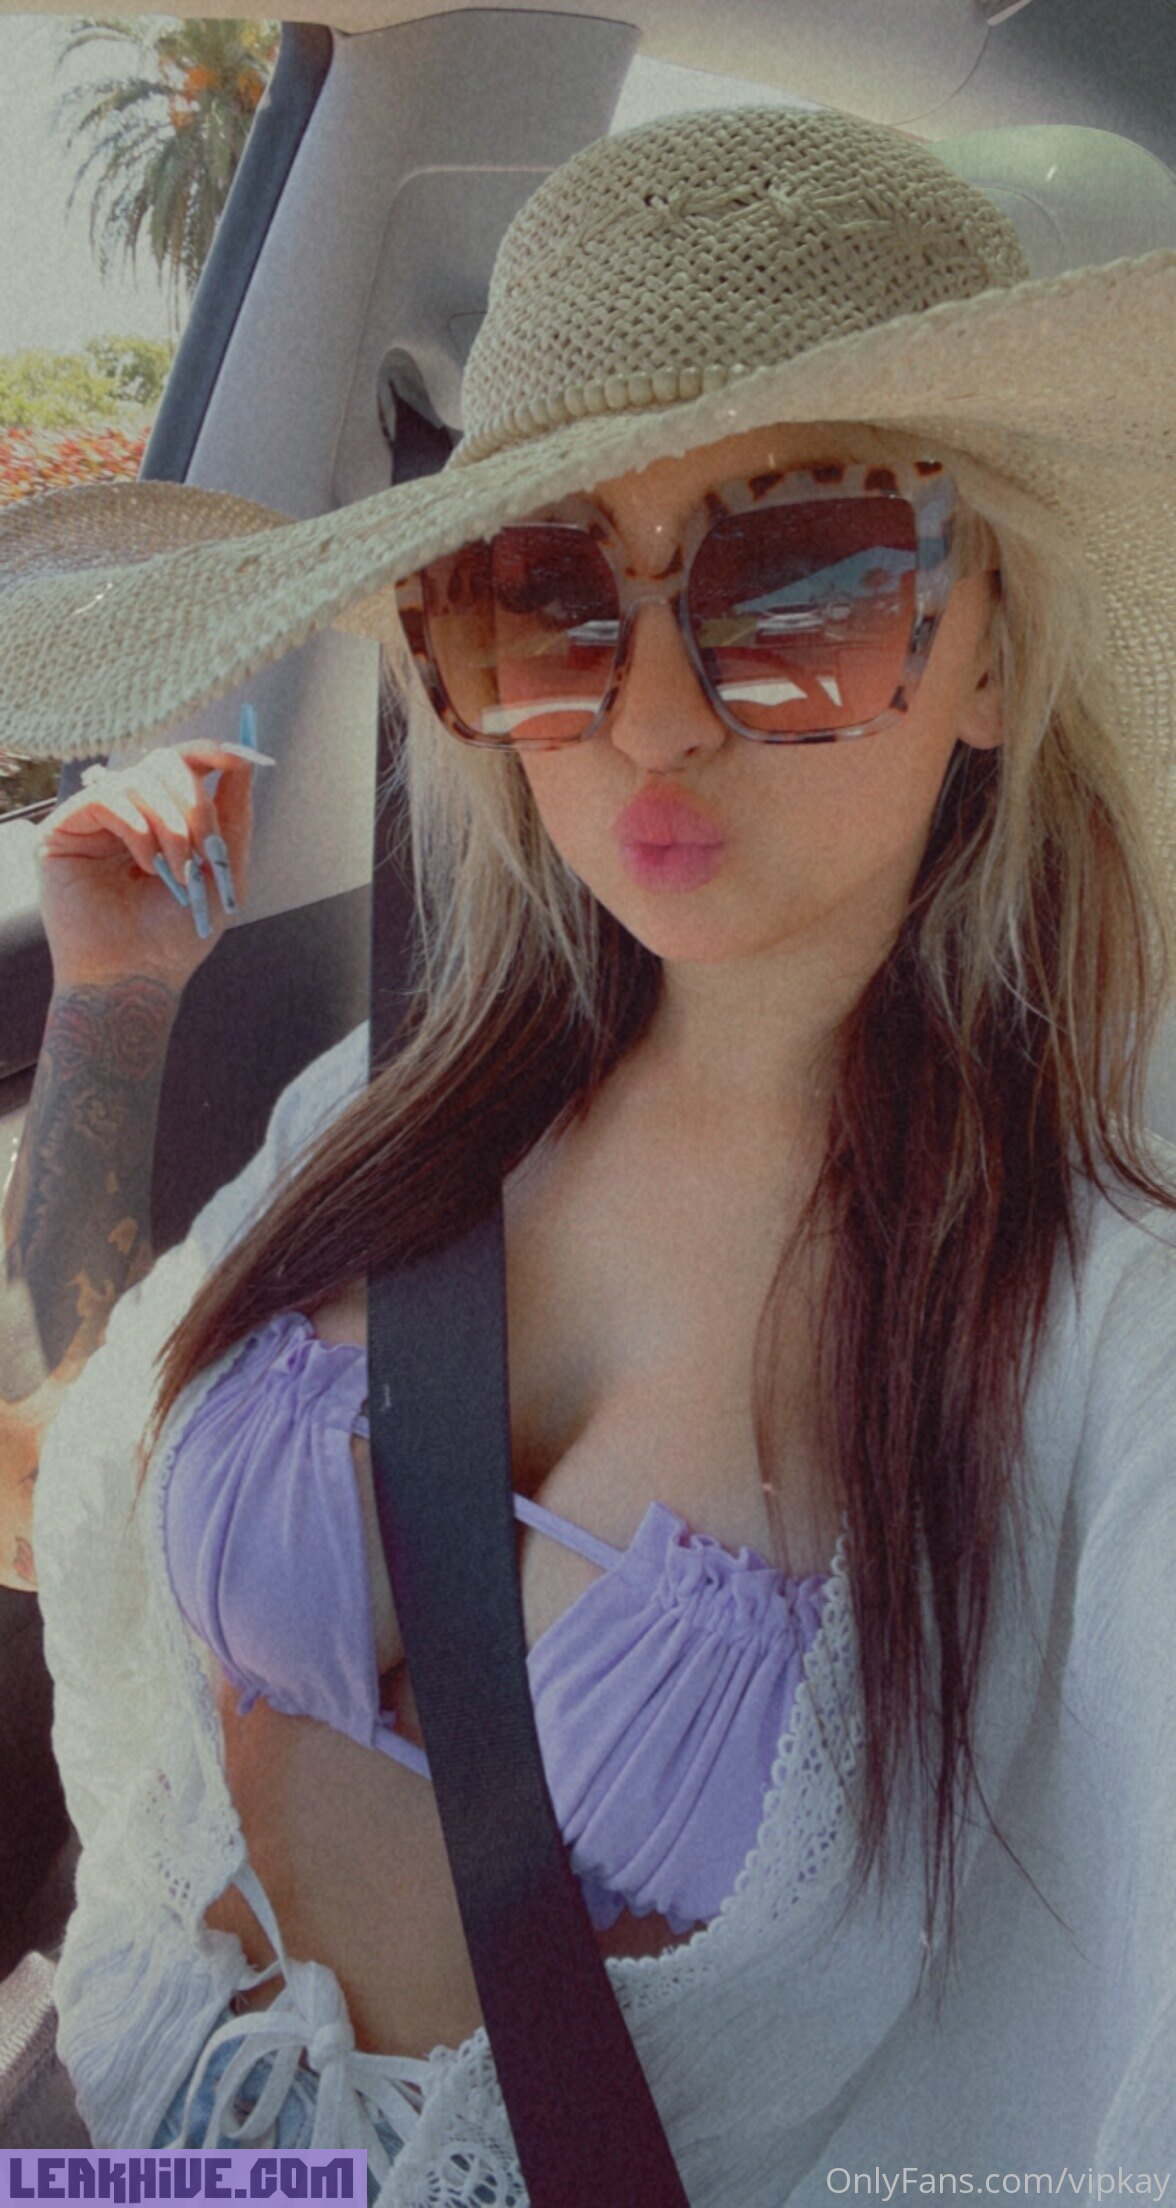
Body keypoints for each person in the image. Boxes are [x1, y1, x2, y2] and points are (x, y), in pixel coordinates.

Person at [2, 100, 1175, 2205]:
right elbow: (81, 1470)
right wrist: (110, 1007)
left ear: (993, 644)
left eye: (799, 580)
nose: (649, 718)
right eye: (542, 598)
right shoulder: (391, 1101)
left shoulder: (1098, 1320)